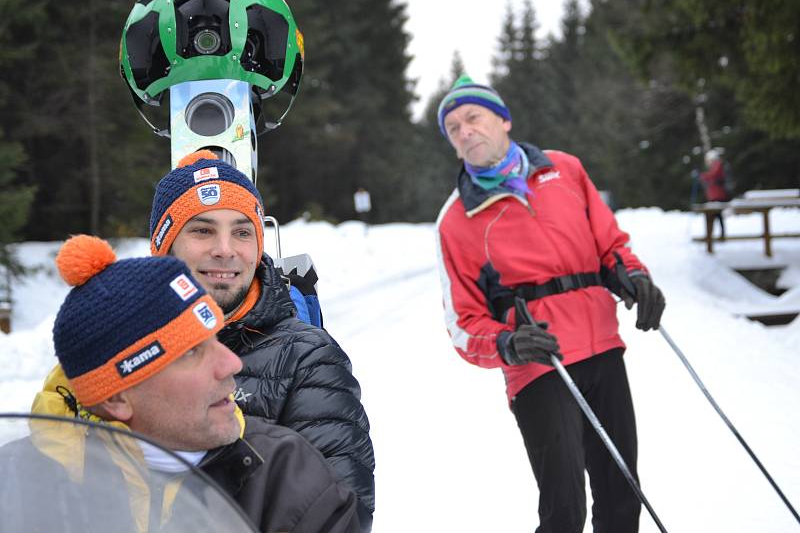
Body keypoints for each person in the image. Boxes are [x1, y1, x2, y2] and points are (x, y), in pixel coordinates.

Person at [1, 234, 360, 533]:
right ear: (116, 398)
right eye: (191, 353)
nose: (231, 363)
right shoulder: (17, 484)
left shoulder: (284, 471)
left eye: (216, 340)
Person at [434, 75, 666, 533]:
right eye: (454, 129)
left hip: (602, 347)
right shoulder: (456, 220)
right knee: (564, 511)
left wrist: (633, 275)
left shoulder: (565, 170)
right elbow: (463, 324)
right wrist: (508, 344)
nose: (465, 132)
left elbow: (610, 244)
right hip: (541, 365)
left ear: (504, 120)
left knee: (623, 496)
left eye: (473, 118)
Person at [148, 150, 375, 530]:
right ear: (163, 246)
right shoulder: (125, 348)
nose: (225, 249)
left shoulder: (308, 359)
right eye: (202, 230)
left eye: (242, 231)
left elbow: (340, 518)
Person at [698, 148, 731, 239]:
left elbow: (713, 175)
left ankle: (713, 235)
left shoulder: (717, 164)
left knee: (715, 215)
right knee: (715, 215)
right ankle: (714, 235)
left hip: (717, 195)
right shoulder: (716, 165)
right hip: (714, 195)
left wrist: (702, 176)